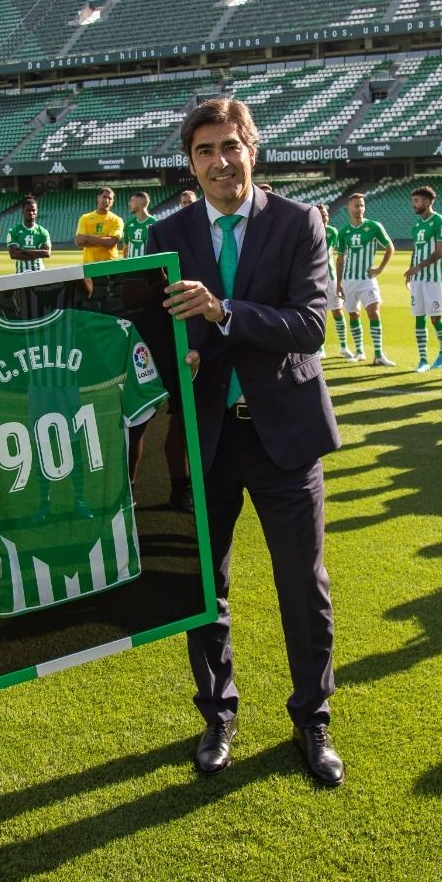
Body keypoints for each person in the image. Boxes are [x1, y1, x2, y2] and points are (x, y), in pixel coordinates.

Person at [144, 97, 344, 787]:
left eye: (231, 146)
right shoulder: (163, 235)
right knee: (205, 586)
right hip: (205, 437)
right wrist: (180, 356)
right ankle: (218, 715)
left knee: (303, 585)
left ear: (252, 150)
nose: (220, 161)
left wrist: (224, 311)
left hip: (284, 435)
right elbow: (152, 336)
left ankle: (312, 719)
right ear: (190, 163)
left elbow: (310, 326)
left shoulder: (298, 221)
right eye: (205, 150)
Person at [335, 191, 395, 366]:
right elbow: (340, 259)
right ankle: (360, 351)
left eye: (362, 205)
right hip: (348, 280)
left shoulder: (374, 227)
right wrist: (338, 284)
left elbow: (390, 247)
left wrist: (380, 268)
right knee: (353, 314)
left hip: (367, 279)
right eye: (356, 205)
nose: (359, 208)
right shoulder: (343, 231)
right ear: (348, 208)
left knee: (374, 312)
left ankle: (379, 354)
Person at [404, 186, 442, 372]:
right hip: (418, 280)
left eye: (417, 201)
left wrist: (419, 267)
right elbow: (416, 249)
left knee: (435, 319)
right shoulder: (416, 226)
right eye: (413, 201)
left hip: (434, 280)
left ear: (428, 202)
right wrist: (411, 270)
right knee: (419, 316)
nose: (413, 204)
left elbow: (441, 252)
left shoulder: (440, 221)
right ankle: (423, 359)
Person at [316, 204, 352, 358]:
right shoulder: (308, 231)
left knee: (338, 311)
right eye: (321, 215)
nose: (324, 217)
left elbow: (337, 253)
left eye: (325, 215)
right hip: (315, 278)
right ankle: (319, 348)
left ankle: (344, 346)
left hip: (330, 277)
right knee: (319, 313)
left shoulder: (332, 232)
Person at [75, 186, 123, 263]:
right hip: (89, 263)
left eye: (110, 198)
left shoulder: (117, 220)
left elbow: (111, 242)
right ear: (98, 198)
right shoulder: (85, 218)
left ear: (113, 202)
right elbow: (79, 241)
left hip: (110, 263)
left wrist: (87, 238)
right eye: (104, 197)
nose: (106, 200)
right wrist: (104, 241)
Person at [8, 197, 51, 271]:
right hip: (21, 273)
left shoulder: (43, 231)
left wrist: (23, 251)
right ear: (22, 211)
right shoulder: (14, 231)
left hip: (39, 272)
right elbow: (13, 255)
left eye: (33, 210)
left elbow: (47, 253)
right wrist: (37, 252)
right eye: (28, 210)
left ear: (37, 211)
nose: (31, 213)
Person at [123, 191, 157, 259]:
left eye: (132, 201)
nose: (129, 204)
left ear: (141, 202)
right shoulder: (128, 224)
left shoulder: (155, 223)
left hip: (148, 264)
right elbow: (126, 246)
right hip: (132, 264)